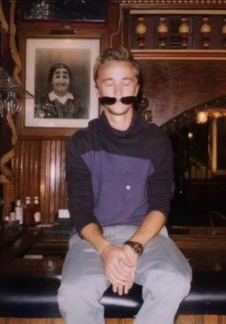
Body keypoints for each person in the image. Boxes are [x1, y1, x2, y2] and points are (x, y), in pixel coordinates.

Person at [57, 47, 192, 324]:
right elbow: (80, 209)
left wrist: (131, 247)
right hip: (92, 238)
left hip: (147, 236)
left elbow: (159, 205)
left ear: (137, 87)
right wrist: (107, 249)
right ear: (97, 88)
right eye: (109, 82)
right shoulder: (81, 142)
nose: (118, 90)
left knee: (174, 280)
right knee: (74, 292)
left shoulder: (156, 141)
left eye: (125, 82)